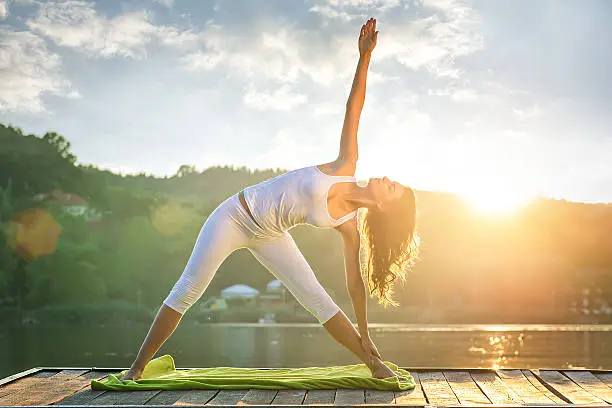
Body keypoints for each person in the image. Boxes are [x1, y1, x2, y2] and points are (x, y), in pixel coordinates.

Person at [121, 17, 419, 381]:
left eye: (392, 187)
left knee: (318, 300)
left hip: (271, 234)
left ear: (385, 207)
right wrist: (364, 57)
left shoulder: (348, 227)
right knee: (188, 289)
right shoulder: (346, 165)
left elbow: (354, 285)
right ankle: (135, 370)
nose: (387, 179)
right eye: (393, 180)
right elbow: (353, 107)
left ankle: (375, 365)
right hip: (234, 215)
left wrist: (366, 333)